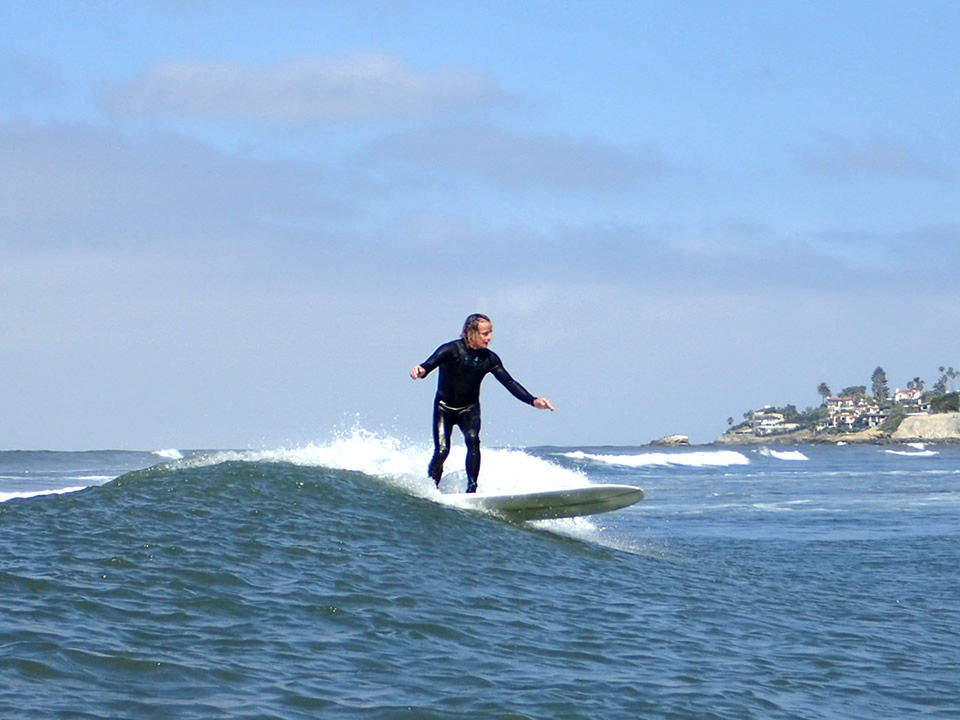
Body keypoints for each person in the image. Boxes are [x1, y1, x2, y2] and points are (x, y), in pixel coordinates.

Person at [410, 313, 555, 493]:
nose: (490, 337)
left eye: (490, 332)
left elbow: (509, 382)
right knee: (442, 450)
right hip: (443, 408)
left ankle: (472, 489)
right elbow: (428, 366)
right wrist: (420, 370)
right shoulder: (450, 350)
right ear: (471, 333)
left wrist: (533, 400)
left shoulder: (490, 359)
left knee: (473, 441)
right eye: (485, 333)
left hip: (469, 409)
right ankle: (430, 488)